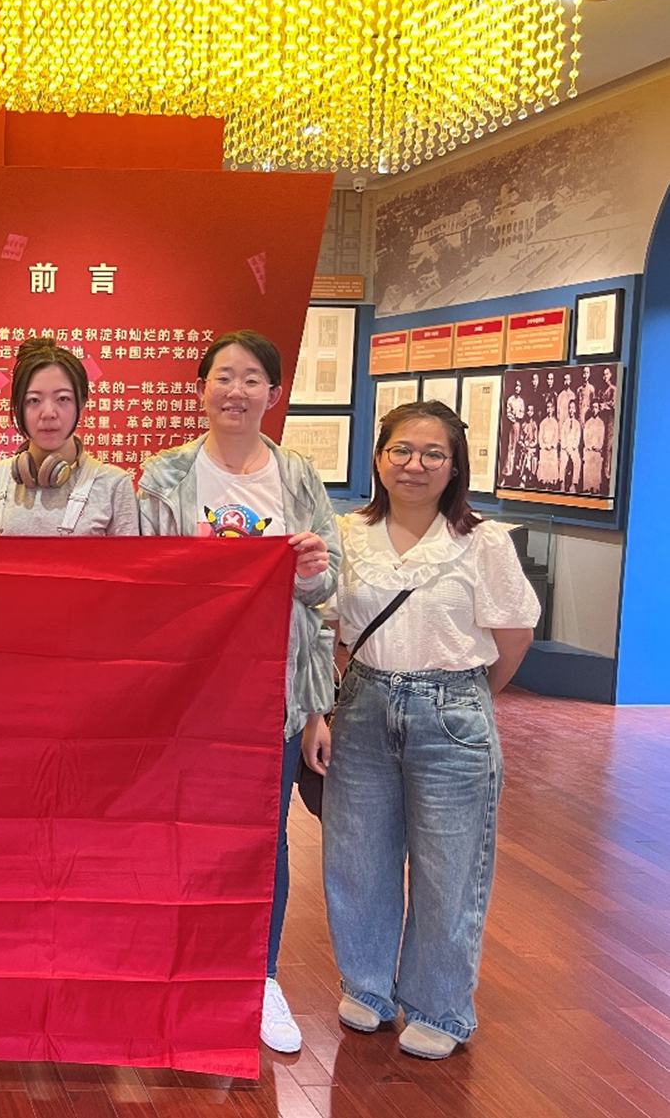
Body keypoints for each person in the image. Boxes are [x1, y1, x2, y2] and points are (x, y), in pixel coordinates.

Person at [305, 401, 537, 1060]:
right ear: (379, 458)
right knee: (358, 855)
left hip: (453, 708)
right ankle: (368, 984)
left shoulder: (482, 541)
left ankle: (439, 1005)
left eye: (434, 453)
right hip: (363, 702)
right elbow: (328, 631)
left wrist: (464, 700)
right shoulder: (347, 534)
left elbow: (514, 636)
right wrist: (323, 710)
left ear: (455, 465)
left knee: (449, 867)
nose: (416, 464)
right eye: (402, 450)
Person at [137, 329, 339, 1055]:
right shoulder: (164, 475)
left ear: (274, 393)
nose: (236, 391)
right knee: (177, 831)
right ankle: (178, 973)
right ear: (202, 389)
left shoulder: (298, 477)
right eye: (224, 376)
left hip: (274, 693)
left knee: (264, 837)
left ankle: (262, 977)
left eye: (253, 378)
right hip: (189, 692)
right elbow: (144, 581)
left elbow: (329, 589)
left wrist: (312, 571)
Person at [0, 337, 139, 536]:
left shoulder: (114, 485)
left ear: (81, 404)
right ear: (18, 406)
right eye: (34, 400)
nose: (48, 413)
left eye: (63, 398)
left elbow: (127, 557)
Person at [559, 398, 583, 494]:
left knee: (577, 462)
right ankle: (562, 483)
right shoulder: (565, 422)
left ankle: (573, 484)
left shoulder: (577, 424)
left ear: (575, 410)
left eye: (573, 408)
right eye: (569, 408)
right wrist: (565, 447)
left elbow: (578, 437)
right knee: (562, 461)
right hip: (565, 448)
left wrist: (573, 447)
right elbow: (562, 436)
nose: (571, 410)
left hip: (573, 448)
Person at [582, 402, 606, 494]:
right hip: (589, 449)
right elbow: (585, 437)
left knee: (596, 463)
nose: (594, 410)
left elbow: (601, 438)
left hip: (597, 450)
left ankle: (595, 488)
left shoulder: (601, 423)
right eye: (593, 407)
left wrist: (598, 446)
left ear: (599, 409)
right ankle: (588, 488)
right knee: (588, 463)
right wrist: (589, 446)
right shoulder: (588, 423)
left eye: (596, 407)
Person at [536, 398, 560, 489]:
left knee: (552, 461)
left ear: (553, 409)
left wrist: (552, 445)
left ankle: (551, 483)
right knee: (544, 460)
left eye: (551, 407)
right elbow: (540, 436)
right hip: (544, 447)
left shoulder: (555, 423)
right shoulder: (543, 423)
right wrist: (544, 445)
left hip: (552, 448)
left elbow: (556, 436)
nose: (549, 409)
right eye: (547, 407)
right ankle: (544, 483)